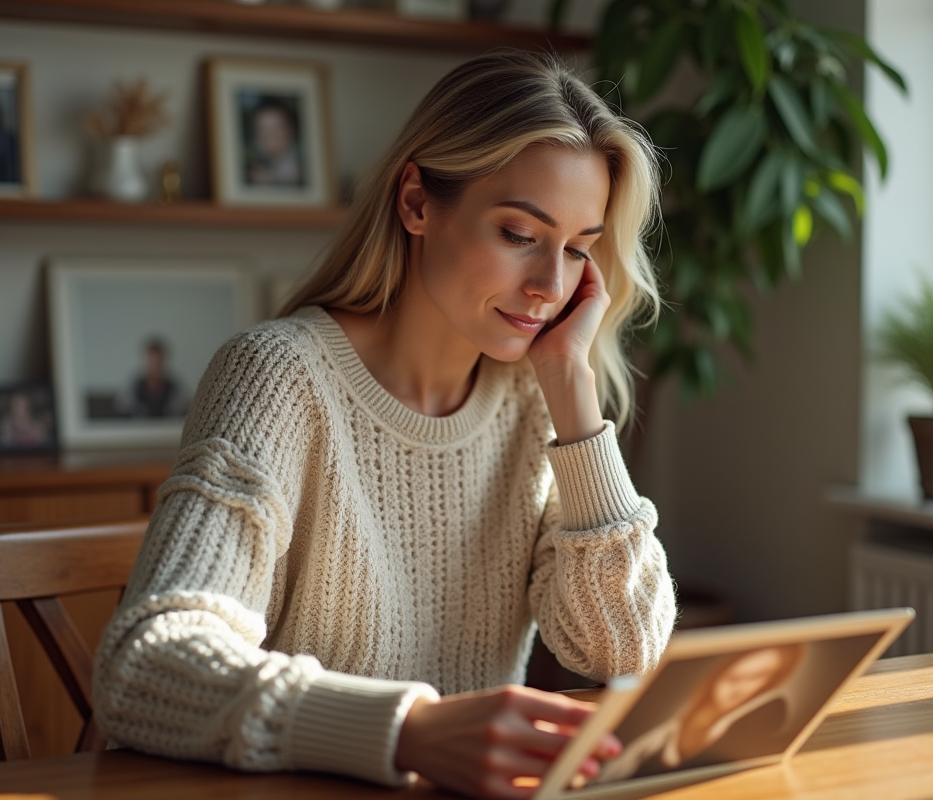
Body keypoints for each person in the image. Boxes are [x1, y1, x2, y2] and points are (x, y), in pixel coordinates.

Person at [93, 50, 676, 799]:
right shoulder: (278, 376)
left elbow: (620, 646)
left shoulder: (538, 404)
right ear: (417, 203)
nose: (549, 286)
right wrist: (407, 731)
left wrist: (571, 387)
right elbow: (145, 664)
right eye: (517, 233)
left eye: (577, 250)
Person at [596, 645, 805, 783]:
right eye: (735, 677)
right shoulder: (658, 732)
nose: (740, 687)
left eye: (758, 677)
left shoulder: (753, 723)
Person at [244, 97, 304, 186]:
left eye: (275, 129)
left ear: (291, 130)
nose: (267, 137)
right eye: (261, 130)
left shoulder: (301, 168)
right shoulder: (259, 165)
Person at [126, 338, 187, 418]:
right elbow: (124, 412)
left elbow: (181, 413)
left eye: (158, 362)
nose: (155, 367)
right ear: (146, 362)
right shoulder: (134, 388)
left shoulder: (174, 389)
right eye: (152, 362)